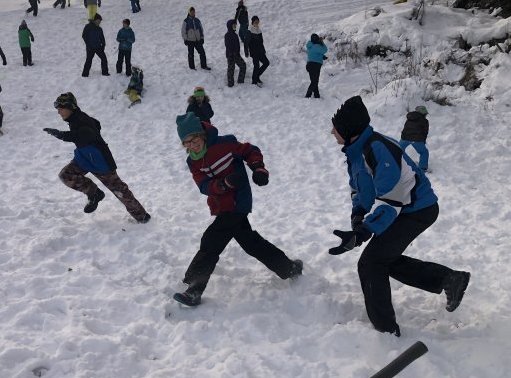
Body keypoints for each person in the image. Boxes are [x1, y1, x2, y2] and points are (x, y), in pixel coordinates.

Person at [328, 96, 470, 336]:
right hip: (403, 208)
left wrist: (363, 232)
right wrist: (358, 216)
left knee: (371, 262)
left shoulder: (377, 148)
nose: (332, 131)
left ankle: (385, 331)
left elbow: (392, 199)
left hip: (417, 210)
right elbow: (359, 189)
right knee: (383, 258)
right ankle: (449, 279)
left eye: (336, 127)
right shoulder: (356, 151)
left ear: (349, 129)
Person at [172, 112, 303, 306]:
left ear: (202, 135)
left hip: (238, 202)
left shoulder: (224, 144)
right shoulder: (193, 161)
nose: (192, 146)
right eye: (186, 143)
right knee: (250, 242)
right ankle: (289, 268)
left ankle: (194, 288)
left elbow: (250, 151)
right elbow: (203, 185)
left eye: (194, 140)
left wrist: (258, 169)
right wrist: (222, 185)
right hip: (221, 206)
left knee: (212, 240)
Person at [43, 92, 151, 223]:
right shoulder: (75, 119)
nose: (58, 112)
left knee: (120, 191)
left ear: (69, 107)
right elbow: (97, 123)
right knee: (66, 175)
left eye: (60, 108)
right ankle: (94, 194)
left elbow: (84, 134)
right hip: (84, 158)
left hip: (101, 161)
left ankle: (143, 217)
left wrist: (61, 135)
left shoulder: (81, 120)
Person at [399, 105, 429, 172]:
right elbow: (425, 132)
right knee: (424, 152)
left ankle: (397, 164)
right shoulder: (425, 121)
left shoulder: (409, 118)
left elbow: (405, 129)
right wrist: (423, 141)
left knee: (397, 150)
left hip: (405, 138)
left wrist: (402, 138)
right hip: (417, 140)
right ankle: (422, 168)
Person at [246, 15, 269, 87]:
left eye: (257, 22)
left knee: (266, 63)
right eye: (255, 22)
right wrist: (246, 51)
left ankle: (257, 76)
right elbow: (246, 42)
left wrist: (263, 50)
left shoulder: (259, 31)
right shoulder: (249, 31)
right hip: (254, 52)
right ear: (252, 22)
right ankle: (254, 81)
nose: (256, 23)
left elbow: (261, 42)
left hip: (261, 51)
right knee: (256, 66)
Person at [305, 33, 327, 98]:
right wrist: (322, 42)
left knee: (314, 80)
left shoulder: (310, 46)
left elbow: (315, 54)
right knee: (315, 81)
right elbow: (325, 50)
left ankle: (316, 95)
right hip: (316, 65)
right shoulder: (317, 46)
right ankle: (308, 94)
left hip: (309, 65)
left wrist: (322, 57)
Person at [224, 19, 246, 87]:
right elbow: (228, 45)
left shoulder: (235, 35)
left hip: (237, 55)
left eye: (235, 25)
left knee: (243, 66)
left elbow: (237, 45)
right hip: (231, 56)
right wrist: (230, 55)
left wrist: (238, 53)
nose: (235, 26)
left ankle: (240, 81)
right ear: (230, 26)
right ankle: (230, 84)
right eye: (233, 25)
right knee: (231, 70)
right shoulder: (227, 35)